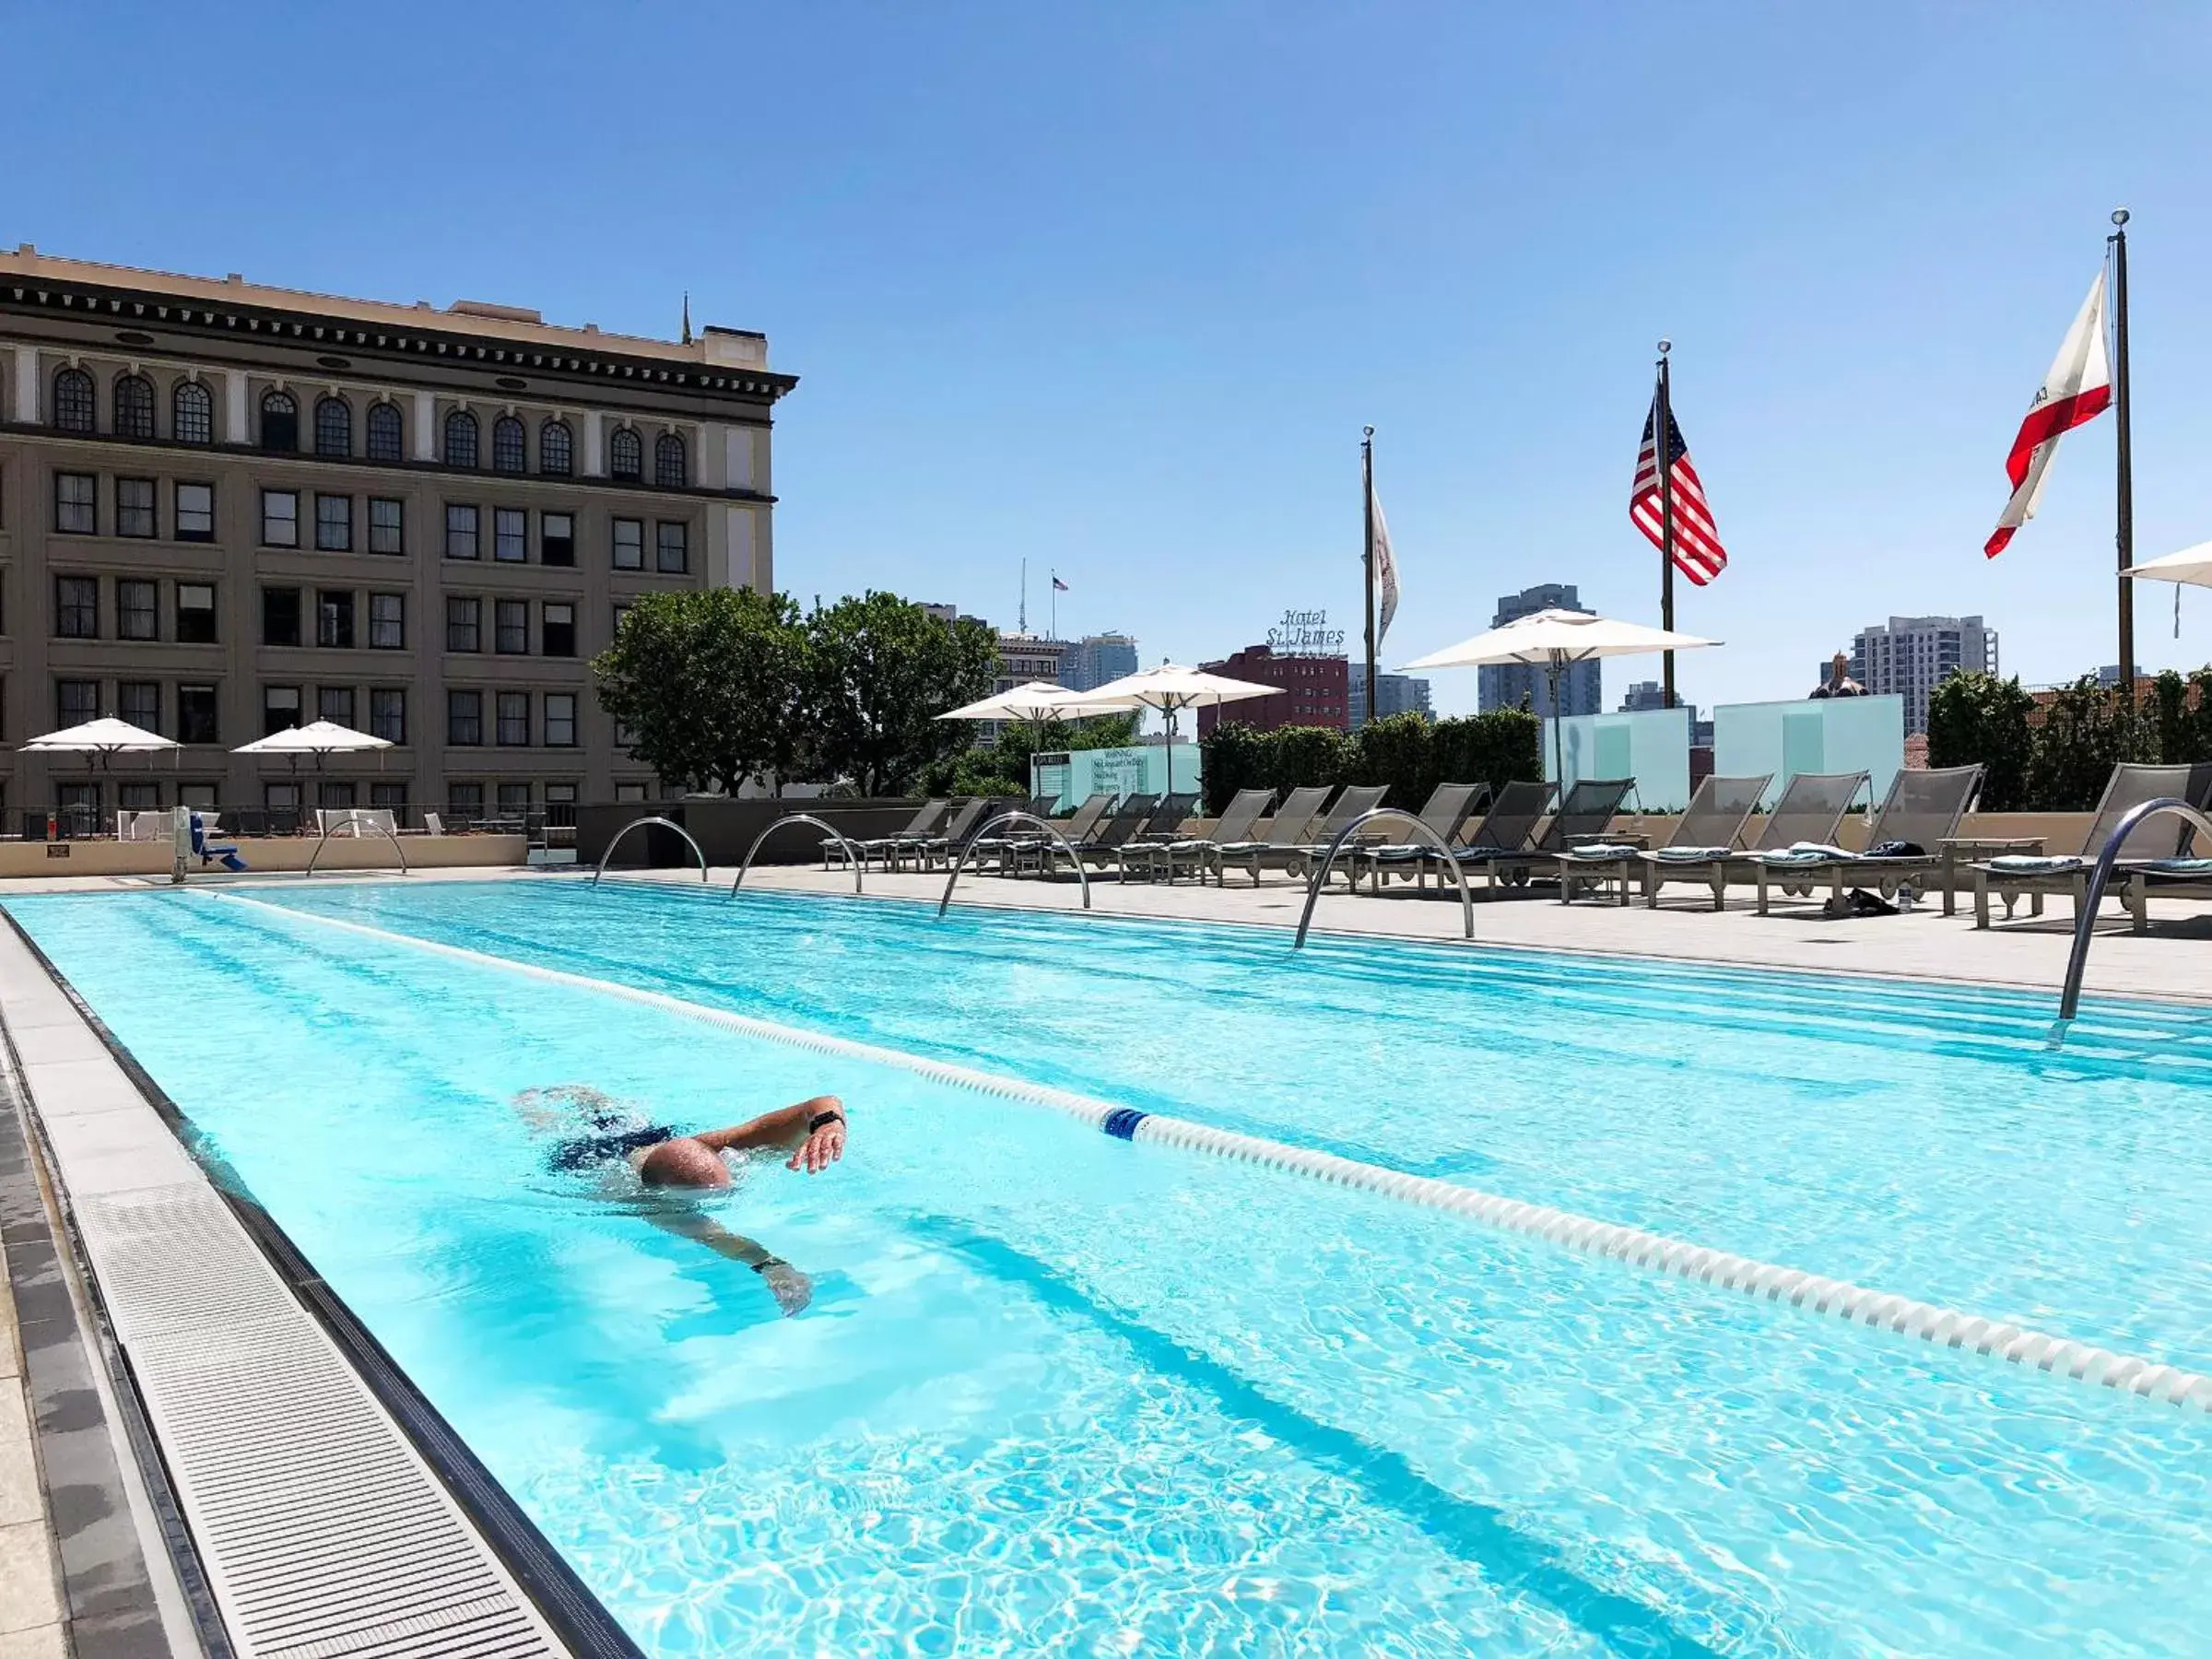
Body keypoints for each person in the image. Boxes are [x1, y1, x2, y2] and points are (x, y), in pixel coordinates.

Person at [520, 1085, 847, 1315]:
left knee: (614, 1113)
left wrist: (829, 1125)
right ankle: (529, 1106)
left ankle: (582, 1093)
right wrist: (771, 1265)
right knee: (551, 1129)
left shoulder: (715, 1145)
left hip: (650, 1143)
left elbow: (821, 1103)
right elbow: (713, 1235)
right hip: (593, 1156)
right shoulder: (645, 1201)